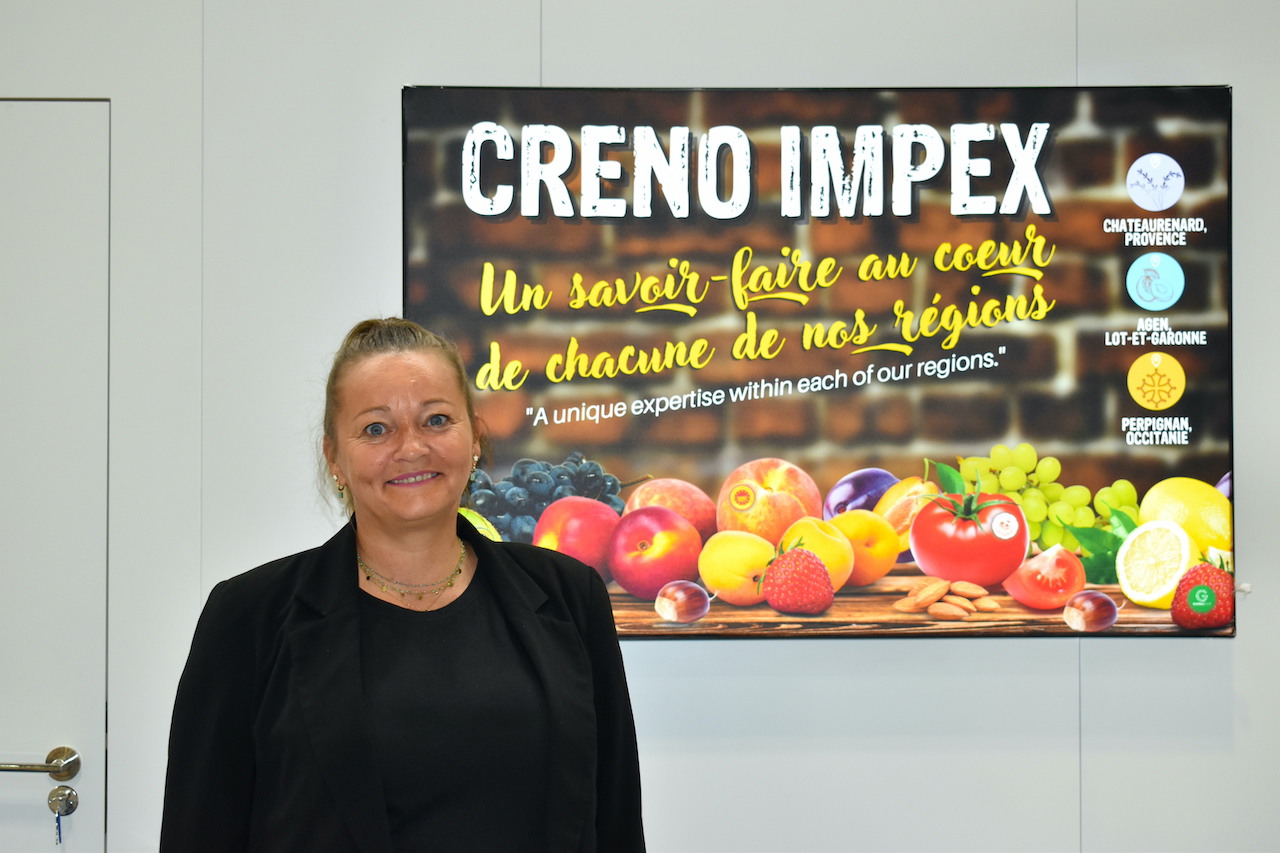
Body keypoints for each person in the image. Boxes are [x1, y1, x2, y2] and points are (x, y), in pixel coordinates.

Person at [161, 317, 645, 852]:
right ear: (334, 458)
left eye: (436, 420)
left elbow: (615, 817)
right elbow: (199, 831)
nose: (411, 447)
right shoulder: (250, 615)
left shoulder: (569, 595)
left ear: (475, 438)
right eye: (376, 429)